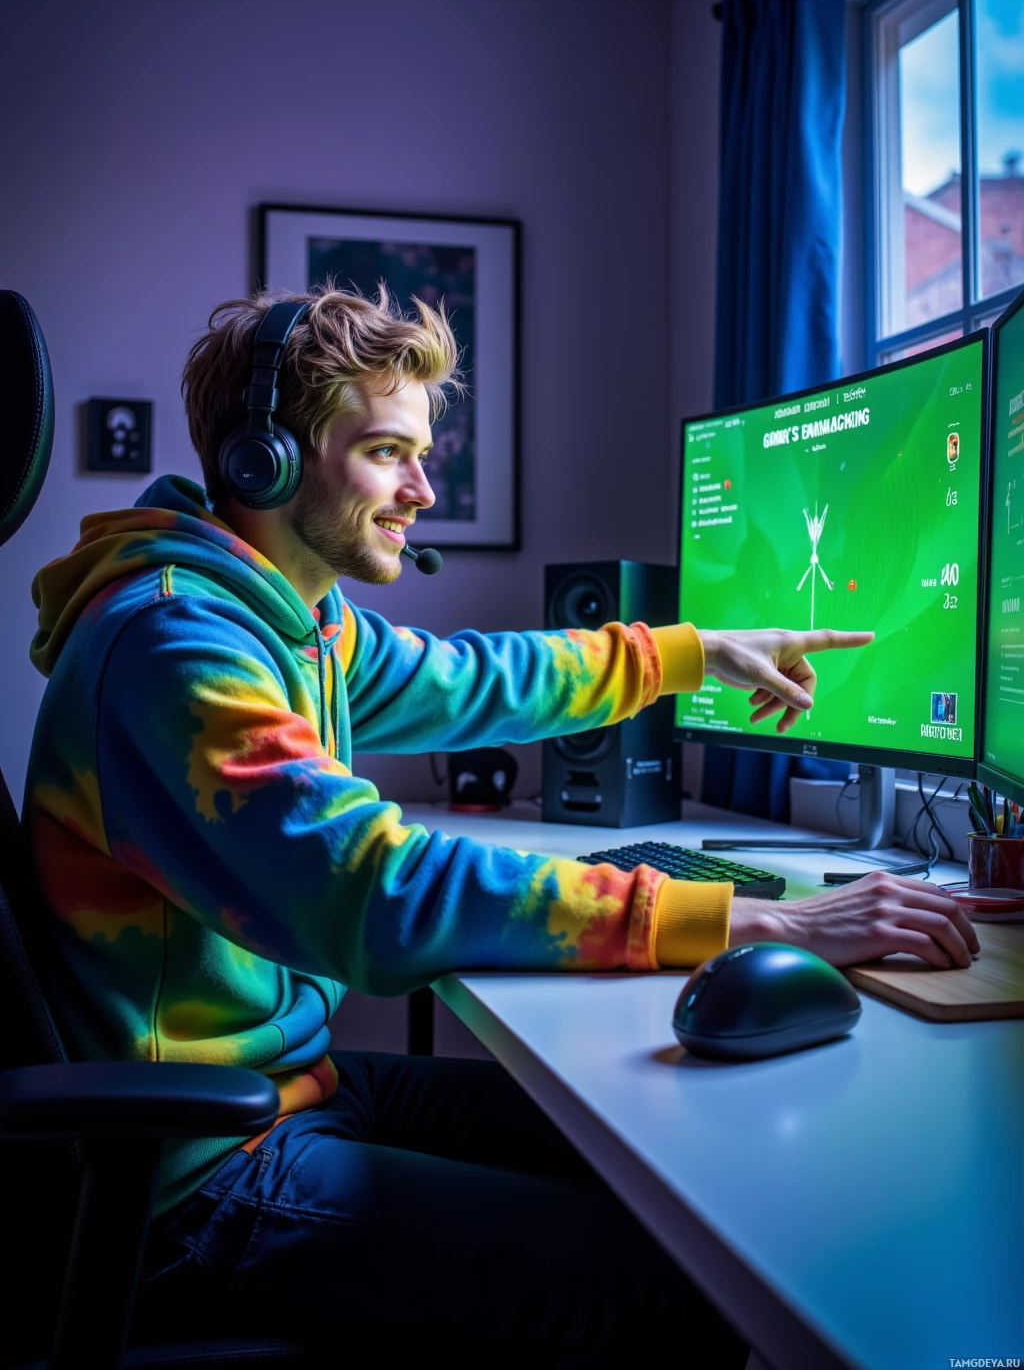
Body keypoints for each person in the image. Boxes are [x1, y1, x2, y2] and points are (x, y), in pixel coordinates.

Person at [24, 286, 979, 1366]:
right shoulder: (178, 647)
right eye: (389, 452)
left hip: (282, 1092)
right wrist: (757, 926)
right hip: (194, 1176)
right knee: (681, 1286)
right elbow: (375, 896)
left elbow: (472, 677)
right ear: (265, 460)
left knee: (640, 1149)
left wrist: (692, 650)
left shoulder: (291, 620)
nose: (423, 491)